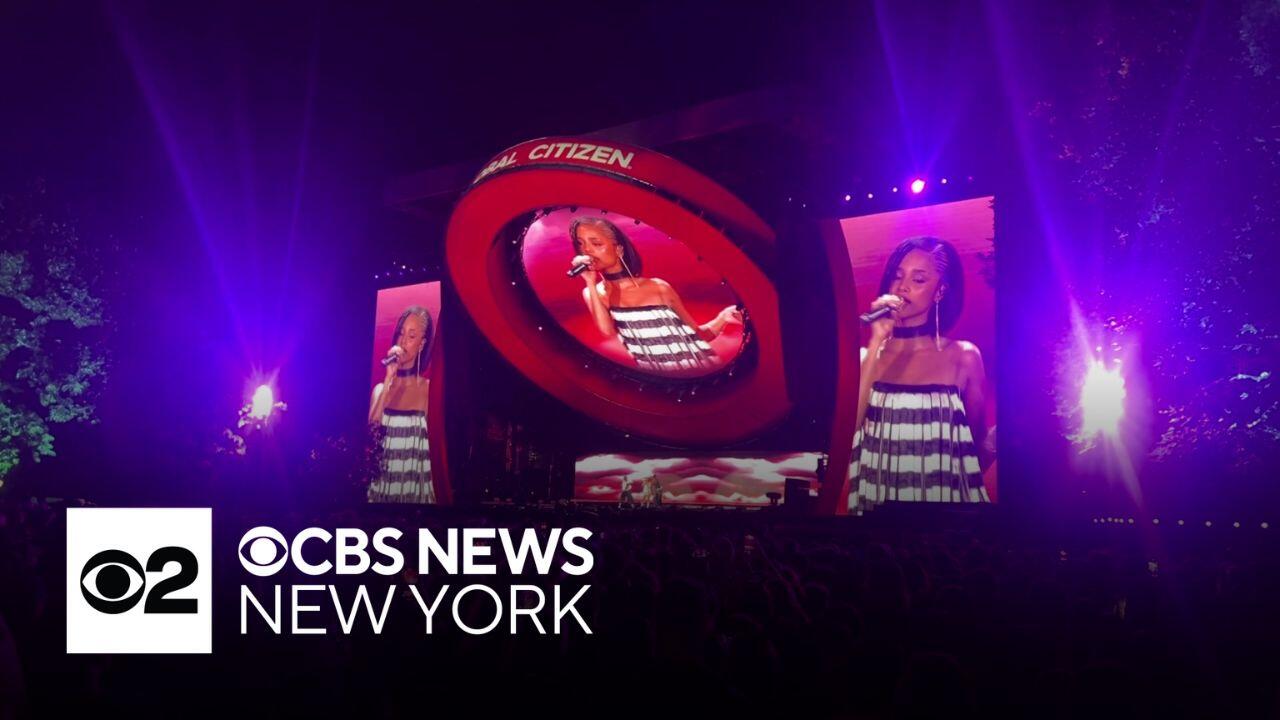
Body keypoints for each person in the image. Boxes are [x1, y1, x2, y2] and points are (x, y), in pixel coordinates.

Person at [848, 236, 993, 512]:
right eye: (897, 276)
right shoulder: (866, 358)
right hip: (877, 515)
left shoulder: (963, 356)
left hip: (946, 521)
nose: (902, 287)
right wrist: (876, 339)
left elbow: (977, 443)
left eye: (918, 280)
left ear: (940, 291)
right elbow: (847, 432)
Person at [568, 216, 742, 375]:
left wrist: (723, 317)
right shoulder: (594, 292)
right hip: (661, 381)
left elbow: (698, 335)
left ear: (619, 249)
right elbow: (607, 331)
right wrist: (590, 281)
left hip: (701, 371)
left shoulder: (658, 287)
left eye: (596, 244)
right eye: (581, 244)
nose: (587, 250)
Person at [368, 306, 435, 504]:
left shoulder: (428, 390)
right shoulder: (380, 390)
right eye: (401, 333)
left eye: (411, 336)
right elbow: (371, 433)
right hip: (380, 490)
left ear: (422, 344)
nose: (403, 341)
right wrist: (388, 378)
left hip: (414, 494)